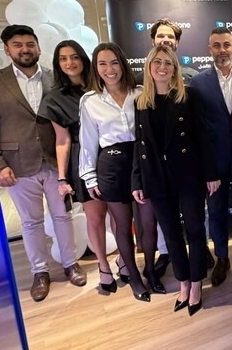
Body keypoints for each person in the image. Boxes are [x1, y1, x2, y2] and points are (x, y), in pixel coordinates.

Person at [0, 25, 85, 302]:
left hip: (56, 162)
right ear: (7, 49)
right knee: (30, 222)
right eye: (18, 45)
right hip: (17, 164)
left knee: (63, 216)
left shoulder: (56, 78)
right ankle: (40, 271)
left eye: (30, 44)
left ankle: (70, 263)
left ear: (38, 47)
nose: (25, 49)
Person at [132, 45, 220, 317]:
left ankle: (196, 283)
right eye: (157, 62)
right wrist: (137, 180)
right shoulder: (141, 102)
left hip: (188, 174)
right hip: (157, 178)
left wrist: (211, 174)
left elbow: (203, 137)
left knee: (194, 230)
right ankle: (183, 282)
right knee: (170, 233)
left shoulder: (189, 96)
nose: (162, 67)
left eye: (168, 63)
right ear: (149, 67)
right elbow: (139, 145)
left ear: (174, 68)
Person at [79, 43, 158, 303]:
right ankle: (134, 277)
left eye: (114, 62)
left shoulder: (140, 93)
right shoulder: (90, 101)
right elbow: (88, 141)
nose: (109, 69)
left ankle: (150, 270)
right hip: (111, 166)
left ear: (122, 64)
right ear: (95, 68)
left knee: (148, 223)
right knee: (123, 226)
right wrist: (89, 176)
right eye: (102, 64)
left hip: (142, 163)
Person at [37, 40, 115, 294]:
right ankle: (104, 267)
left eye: (74, 57)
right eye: (63, 59)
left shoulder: (103, 85)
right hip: (84, 160)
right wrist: (62, 178)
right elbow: (62, 140)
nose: (69, 63)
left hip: (113, 157)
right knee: (96, 217)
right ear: (57, 64)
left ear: (83, 59)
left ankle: (125, 262)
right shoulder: (55, 98)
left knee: (119, 215)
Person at [190, 27, 232, 287]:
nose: (222, 50)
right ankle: (222, 257)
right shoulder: (199, 82)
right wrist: (207, 168)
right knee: (216, 212)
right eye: (216, 45)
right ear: (210, 49)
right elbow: (198, 129)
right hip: (214, 163)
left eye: (226, 45)